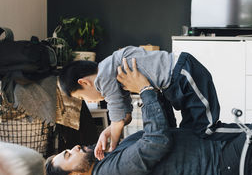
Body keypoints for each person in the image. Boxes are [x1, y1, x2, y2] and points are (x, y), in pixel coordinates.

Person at [46, 60, 251, 175]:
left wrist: (150, 88)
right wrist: (144, 90)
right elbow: (156, 141)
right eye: (67, 155)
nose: (73, 148)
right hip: (221, 167)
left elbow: (166, 130)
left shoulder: (106, 164)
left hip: (216, 147)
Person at [58, 46, 241, 160]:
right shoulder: (111, 74)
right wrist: (106, 132)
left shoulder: (104, 76)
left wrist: (112, 147)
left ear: (84, 82)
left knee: (205, 129)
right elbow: (125, 115)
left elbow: (117, 119)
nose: (88, 101)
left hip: (184, 73)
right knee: (190, 133)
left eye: (83, 97)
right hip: (176, 83)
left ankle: (250, 134)